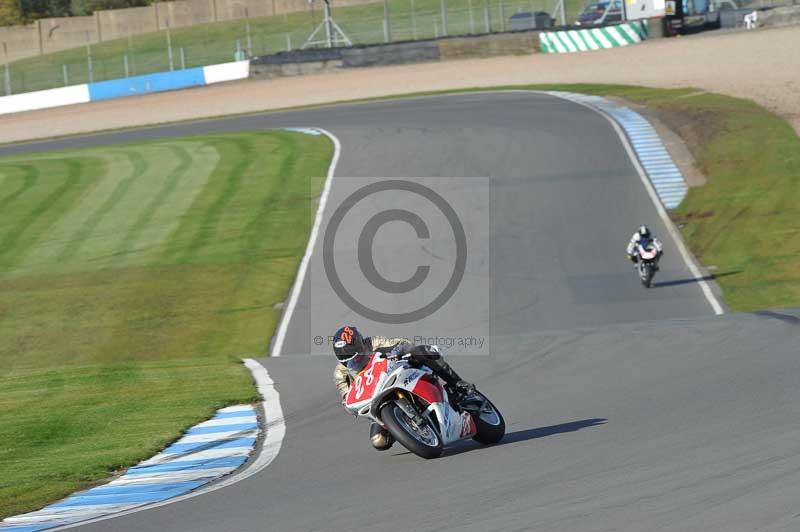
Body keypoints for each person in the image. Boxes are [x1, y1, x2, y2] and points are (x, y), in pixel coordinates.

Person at [332, 325, 474, 451]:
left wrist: (397, 351)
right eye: (346, 360)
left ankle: (457, 383)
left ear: (361, 345)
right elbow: (347, 396)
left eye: (355, 356)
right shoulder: (340, 374)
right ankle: (404, 427)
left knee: (421, 351)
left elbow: (403, 344)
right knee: (379, 441)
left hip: (399, 374)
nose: (352, 361)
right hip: (375, 399)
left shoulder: (374, 343)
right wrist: (348, 404)